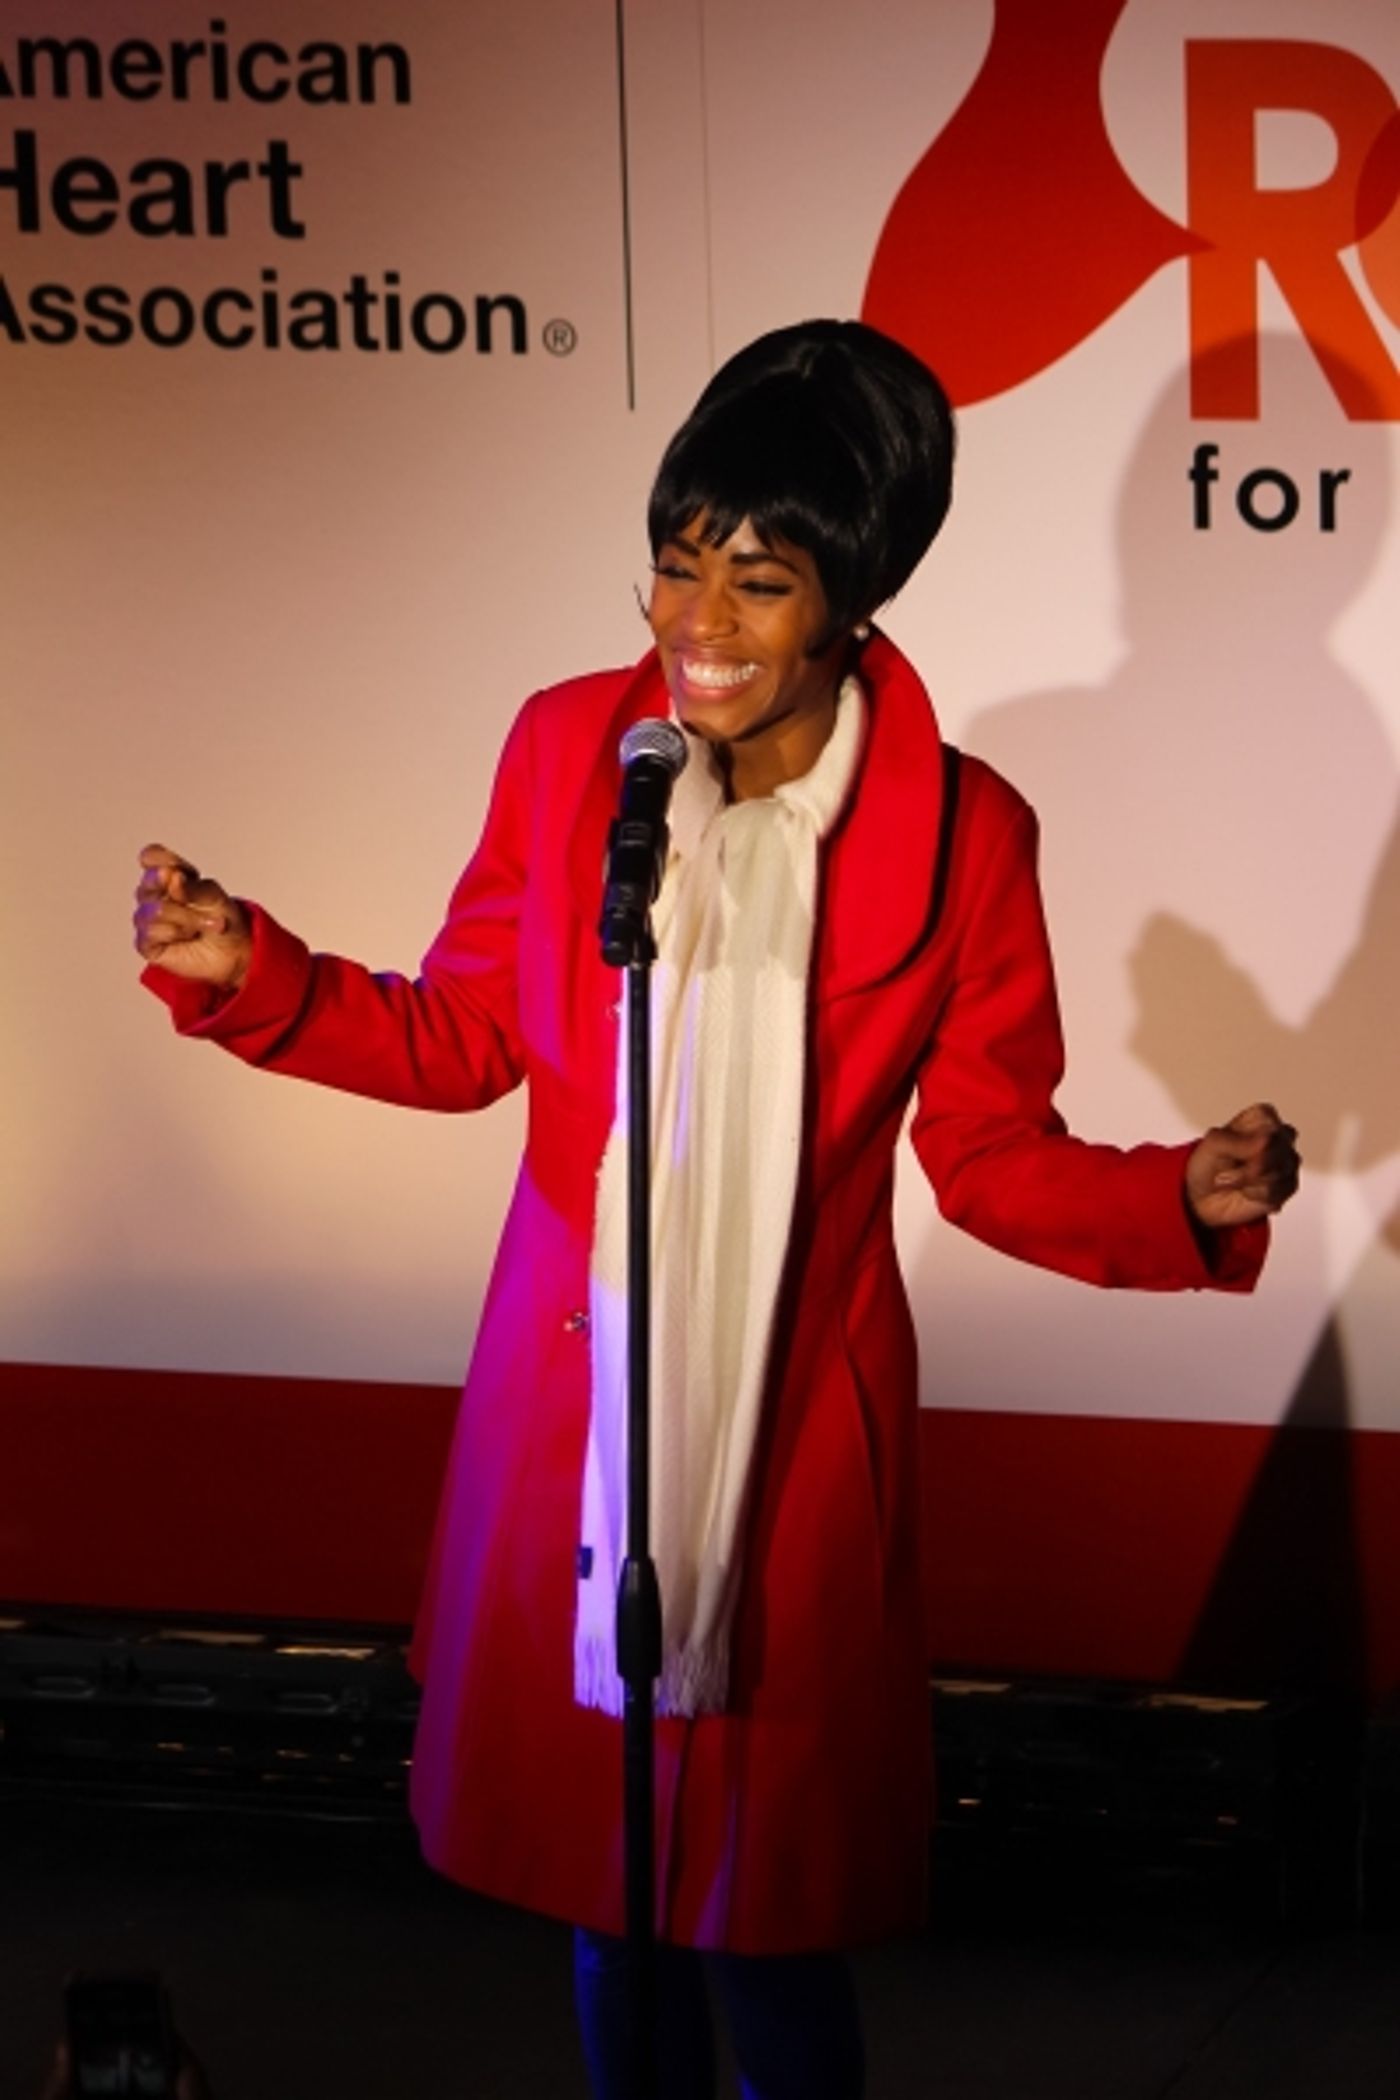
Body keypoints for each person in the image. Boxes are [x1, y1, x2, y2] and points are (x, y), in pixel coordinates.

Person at [133, 320, 1300, 2100]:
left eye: (756, 585)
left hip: (788, 1435)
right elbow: (464, 1040)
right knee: (611, 1896)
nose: (698, 624)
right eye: (678, 569)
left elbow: (984, 1152)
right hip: (577, 1406)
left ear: (855, 594)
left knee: (765, 1912)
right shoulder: (564, 751)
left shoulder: (966, 835)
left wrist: (1182, 1204)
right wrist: (259, 976)